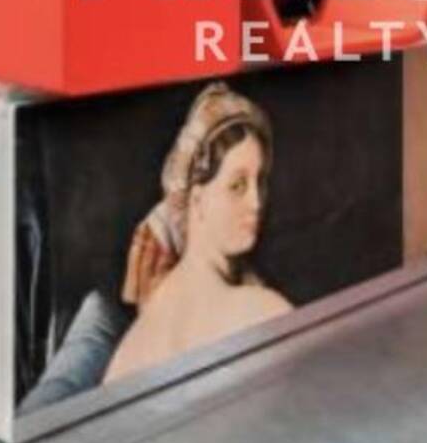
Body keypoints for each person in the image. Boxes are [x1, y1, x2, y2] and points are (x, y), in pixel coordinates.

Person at [104, 84, 290, 385]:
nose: (256, 203)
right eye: (237, 186)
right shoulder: (262, 311)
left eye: (260, 182)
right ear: (197, 200)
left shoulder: (134, 341)